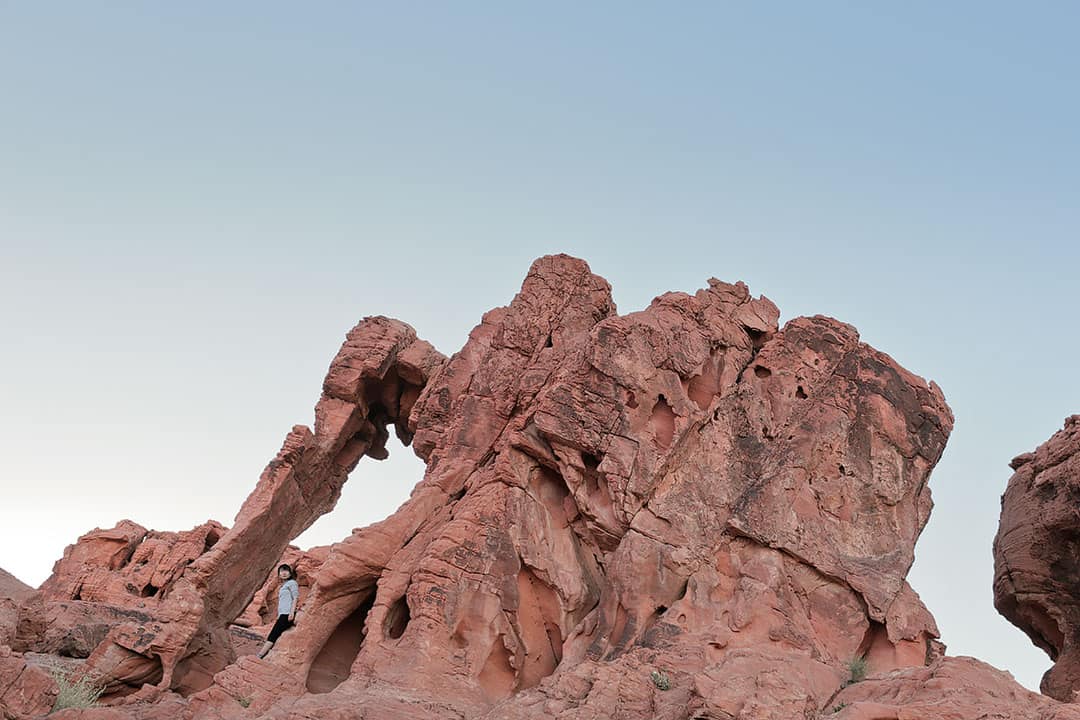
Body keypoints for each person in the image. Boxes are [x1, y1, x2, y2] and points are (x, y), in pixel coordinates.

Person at [258, 564, 300, 658]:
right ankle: (265, 655)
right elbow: (282, 602)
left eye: (286, 571)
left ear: (290, 573)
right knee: (275, 634)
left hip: (287, 614)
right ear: (279, 574)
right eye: (281, 571)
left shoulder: (292, 583)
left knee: (273, 634)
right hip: (283, 614)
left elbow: (295, 598)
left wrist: (292, 612)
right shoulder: (283, 586)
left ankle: (260, 655)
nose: (284, 573)